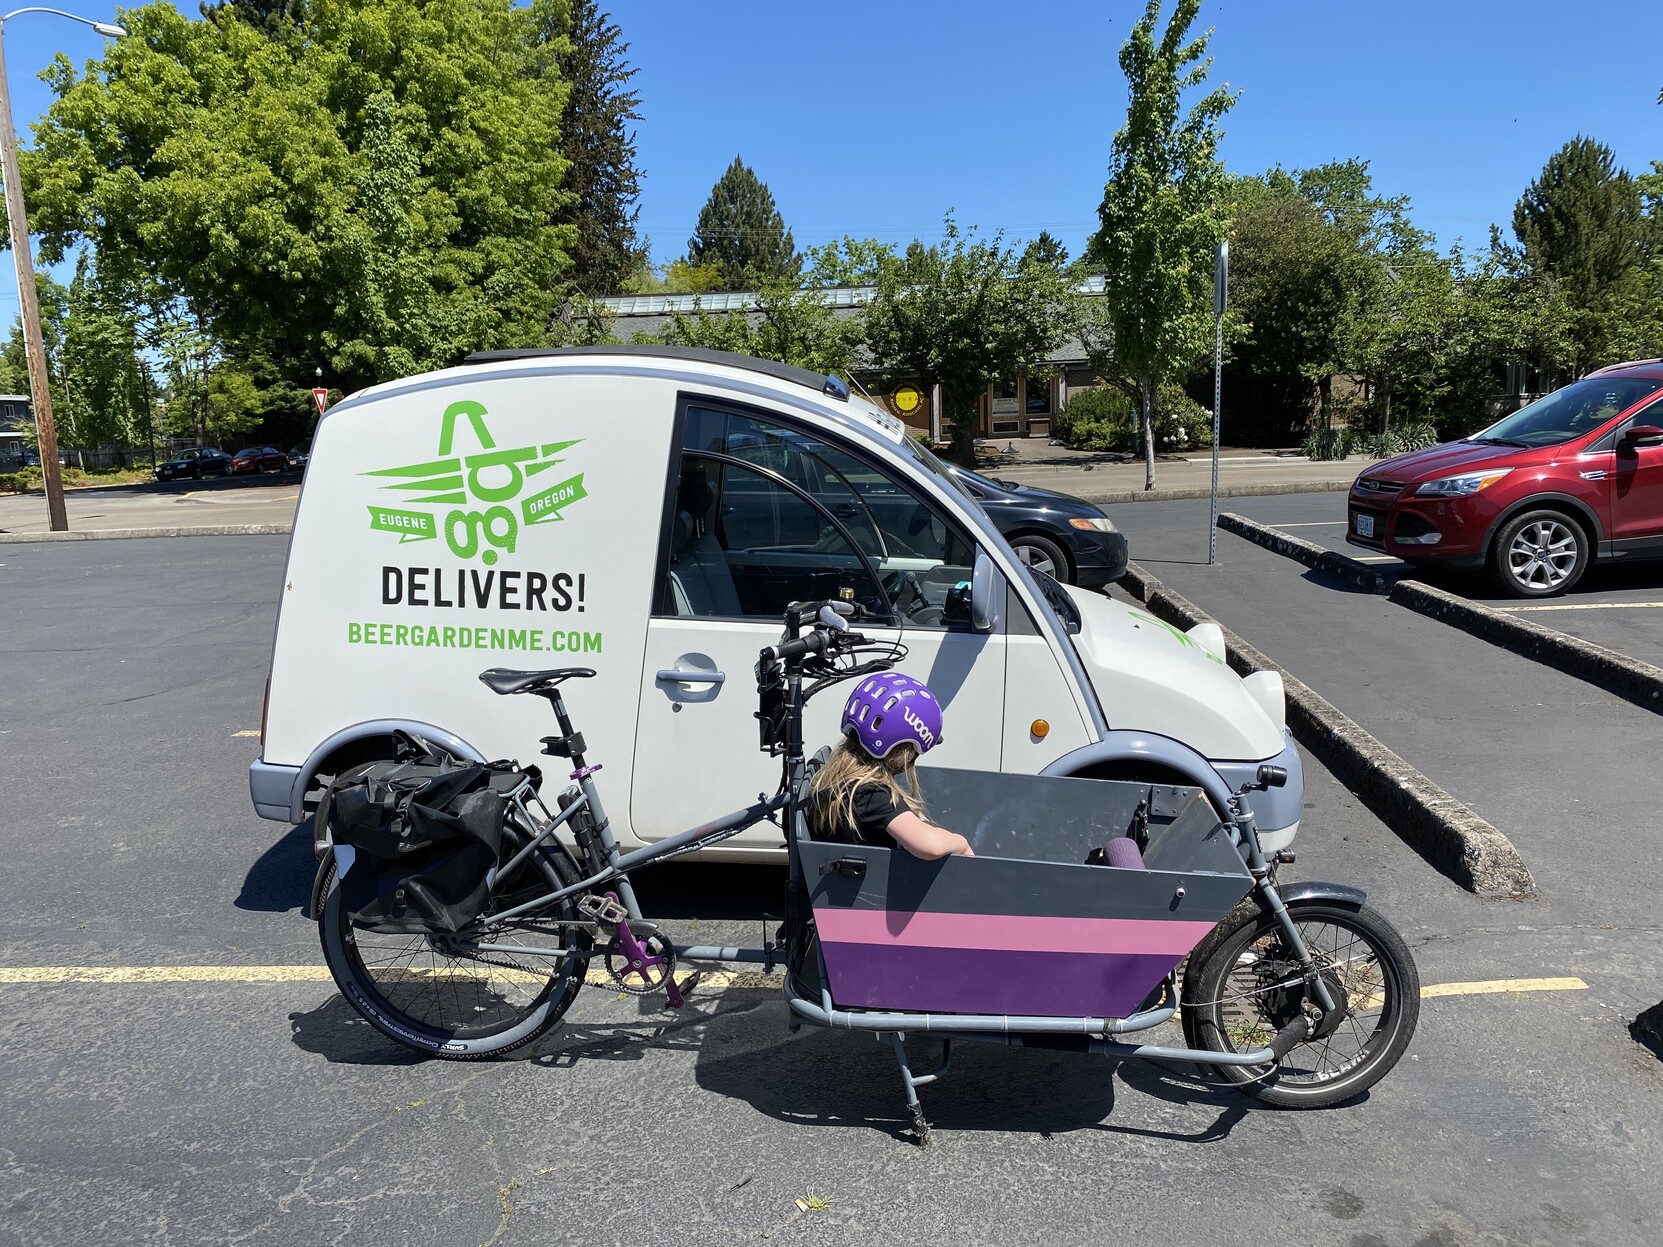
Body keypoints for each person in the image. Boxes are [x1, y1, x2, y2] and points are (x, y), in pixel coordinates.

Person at [808, 672, 974, 860]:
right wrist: (961, 842)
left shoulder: (835, 780)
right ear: (902, 751)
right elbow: (931, 846)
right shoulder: (870, 796)